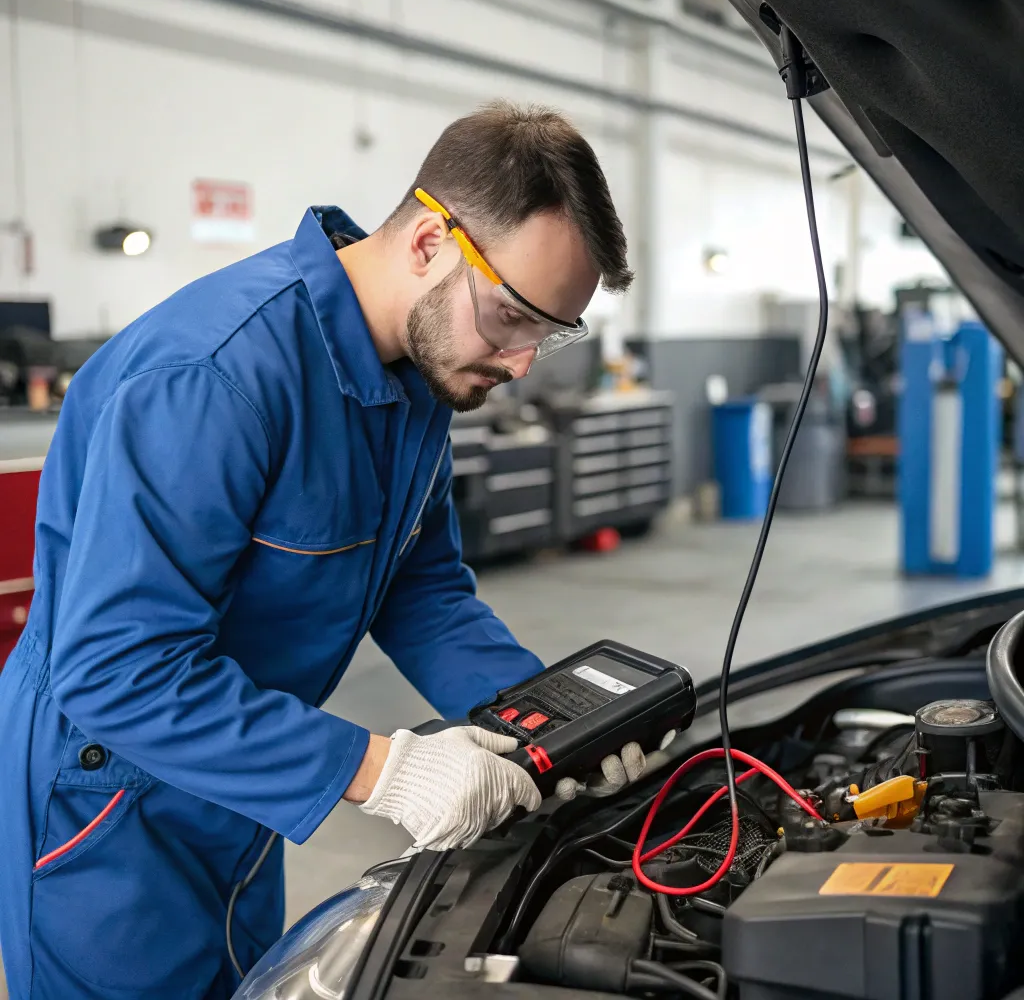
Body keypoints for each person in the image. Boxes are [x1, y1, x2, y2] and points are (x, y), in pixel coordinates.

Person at [0, 101, 641, 1000]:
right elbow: (114, 670)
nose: (523, 362)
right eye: (511, 316)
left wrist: (548, 725)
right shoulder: (214, 378)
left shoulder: (418, 378)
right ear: (429, 242)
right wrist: (383, 770)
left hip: (245, 772)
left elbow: (423, 593)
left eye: (550, 332)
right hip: (108, 801)